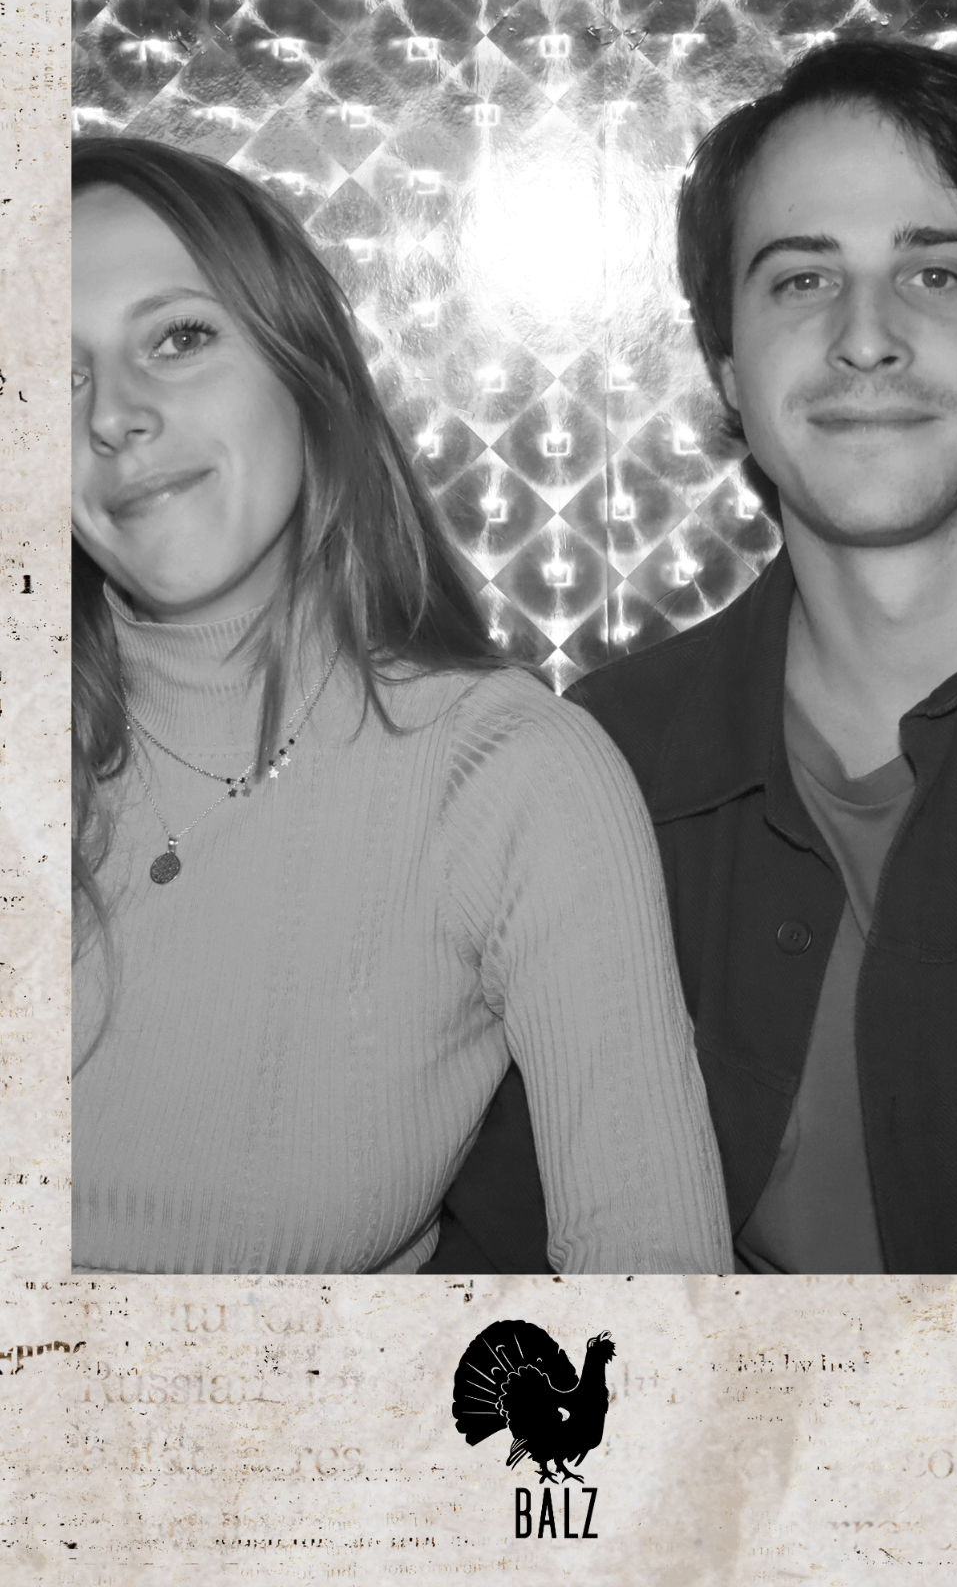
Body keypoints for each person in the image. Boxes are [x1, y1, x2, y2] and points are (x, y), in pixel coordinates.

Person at [71, 136, 733, 1277]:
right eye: (52, 372)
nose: (115, 415)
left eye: (179, 338)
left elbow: (659, 1311)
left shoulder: (505, 775)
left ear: (305, 369)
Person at [426, 35, 957, 1275]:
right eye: (802, 279)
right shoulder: (598, 764)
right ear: (729, 368)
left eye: (939, 273)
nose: (867, 337)